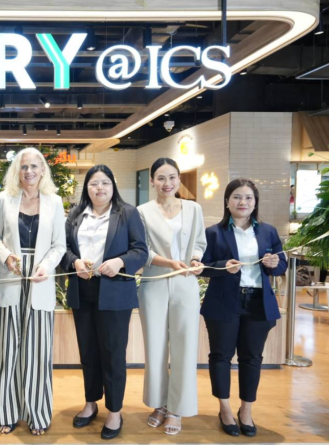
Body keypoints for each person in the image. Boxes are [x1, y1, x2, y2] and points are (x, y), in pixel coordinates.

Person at [60, 165, 149, 440]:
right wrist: (75, 262)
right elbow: (63, 249)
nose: (99, 188)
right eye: (94, 183)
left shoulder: (128, 213)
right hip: (83, 290)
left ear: (113, 186)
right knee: (88, 352)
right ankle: (91, 403)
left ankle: (114, 411)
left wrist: (120, 261)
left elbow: (141, 250)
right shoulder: (75, 214)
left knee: (112, 354)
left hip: (114, 291)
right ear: (86, 188)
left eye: (105, 183)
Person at [200, 178, 287, 437]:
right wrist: (223, 266)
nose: (243, 202)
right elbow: (202, 267)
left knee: (252, 358)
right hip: (223, 302)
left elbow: (282, 264)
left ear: (255, 202)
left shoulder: (268, 232)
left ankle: (246, 411)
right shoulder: (213, 233)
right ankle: (225, 409)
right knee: (221, 356)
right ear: (227, 201)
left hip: (258, 302)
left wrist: (274, 264)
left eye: (248, 197)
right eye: (237, 197)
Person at [0, 147, 66, 436]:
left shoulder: (55, 202)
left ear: (43, 169)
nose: (29, 171)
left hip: (40, 280)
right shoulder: (5, 199)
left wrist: (45, 266)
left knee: (38, 351)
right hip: (11, 277)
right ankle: (6, 412)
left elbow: (59, 245)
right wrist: (5, 256)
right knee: (7, 350)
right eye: (24, 167)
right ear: (17, 171)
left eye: (34, 166)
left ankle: (38, 414)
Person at [137, 157, 206, 436]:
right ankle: (159, 404)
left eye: (172, 177)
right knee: (155, 346)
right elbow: (142, 249)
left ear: (179, 179)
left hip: (186, 282)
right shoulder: (142, 211)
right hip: (154, 281)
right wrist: (168, 262)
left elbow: (199, 242)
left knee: (184, 346)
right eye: (161, 178)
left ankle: (177, 408)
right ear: (152, 181)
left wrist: (196, 259)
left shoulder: (193, 208)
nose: (167, 183)